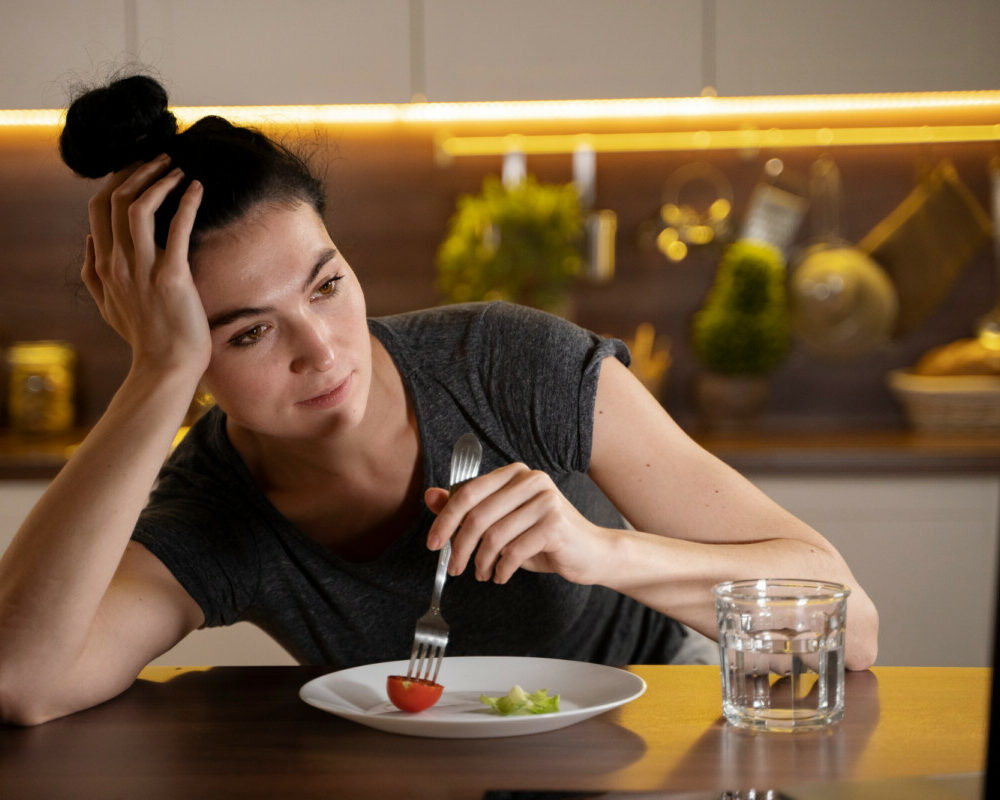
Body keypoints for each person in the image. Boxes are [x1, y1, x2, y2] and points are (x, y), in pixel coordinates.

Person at [0, 75, 878, 726]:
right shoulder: (213, 512)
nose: (323, 349)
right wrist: (152, 377)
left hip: (663, 733)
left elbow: (852, 623)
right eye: (247, 335)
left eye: (327, 284)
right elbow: (19, 680)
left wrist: (599, 551)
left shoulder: (507, 361)